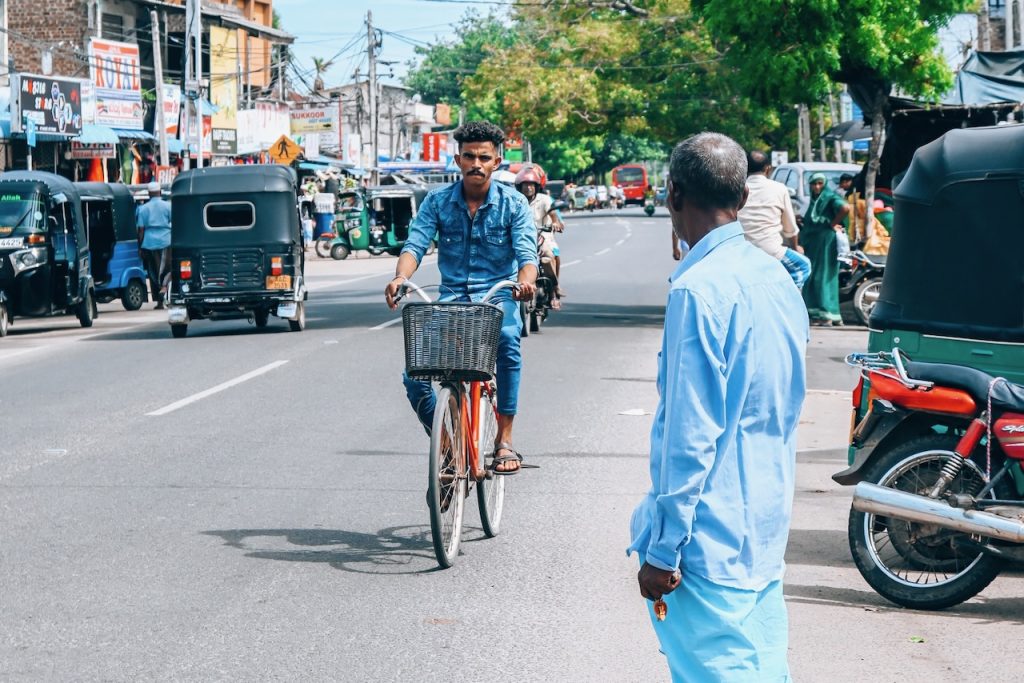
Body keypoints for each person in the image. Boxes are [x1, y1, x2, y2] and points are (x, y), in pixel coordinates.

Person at [628, 132, 808, 682]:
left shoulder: (698, 291)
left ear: (672, 194)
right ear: (746, 197)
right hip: (763, 528)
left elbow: (690, 436)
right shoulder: (776, 277)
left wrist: (663, 549)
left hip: (708, 541)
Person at [385, 121, 538, 475]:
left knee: (507, 343)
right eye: (469, 156)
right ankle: (447, 448)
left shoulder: (513, 204)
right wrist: (400, 277)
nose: (476, 164)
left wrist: (525, 283)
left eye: (484, 157)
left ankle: (504, 439)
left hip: (497, 297)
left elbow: (527, 257)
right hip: (452, 300)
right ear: (457, 159)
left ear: (496, 161)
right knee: (415, 376)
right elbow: (415, 245)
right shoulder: (437, 202)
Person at [737, 150, 811, 289]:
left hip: (740, 252)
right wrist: (796, 247)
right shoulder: (779, 189)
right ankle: (787, 300)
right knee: (804, 265)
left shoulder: (736, 189)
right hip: (771, 251)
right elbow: (790, 229)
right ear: (768, 168)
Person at [800, 172, 850, 326]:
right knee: (815, 275)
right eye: (814, 184)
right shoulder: (816, 200)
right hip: (814, 242)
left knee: (823, 276)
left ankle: (825, 314)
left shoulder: (829, 196)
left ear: (825, 184)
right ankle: (819, 313)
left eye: (820, 183)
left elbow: (845, 208)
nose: (816, 187)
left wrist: (832, 223)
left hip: (825, 242)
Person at [515, 166, 565, 307]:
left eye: (531, 185)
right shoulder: (515, 200)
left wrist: (555, 223)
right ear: (519, 187)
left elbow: (553, 214)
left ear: (537, 187)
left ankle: (554, 289)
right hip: (520, 237)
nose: (528, 188)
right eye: (525, 185)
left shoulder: (544, 199)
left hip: (541, 236)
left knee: (549, 255)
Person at [135, 181, 172, 309]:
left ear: (149, 194)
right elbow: (175, 223)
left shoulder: (143, 209)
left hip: (149, 243)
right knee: (167, 270)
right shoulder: (168, 206)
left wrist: (140, 247)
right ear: (160, 192)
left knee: (153, 272)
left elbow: (141, 230)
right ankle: (166, 292)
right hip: (166, 241)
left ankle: (159, 301)